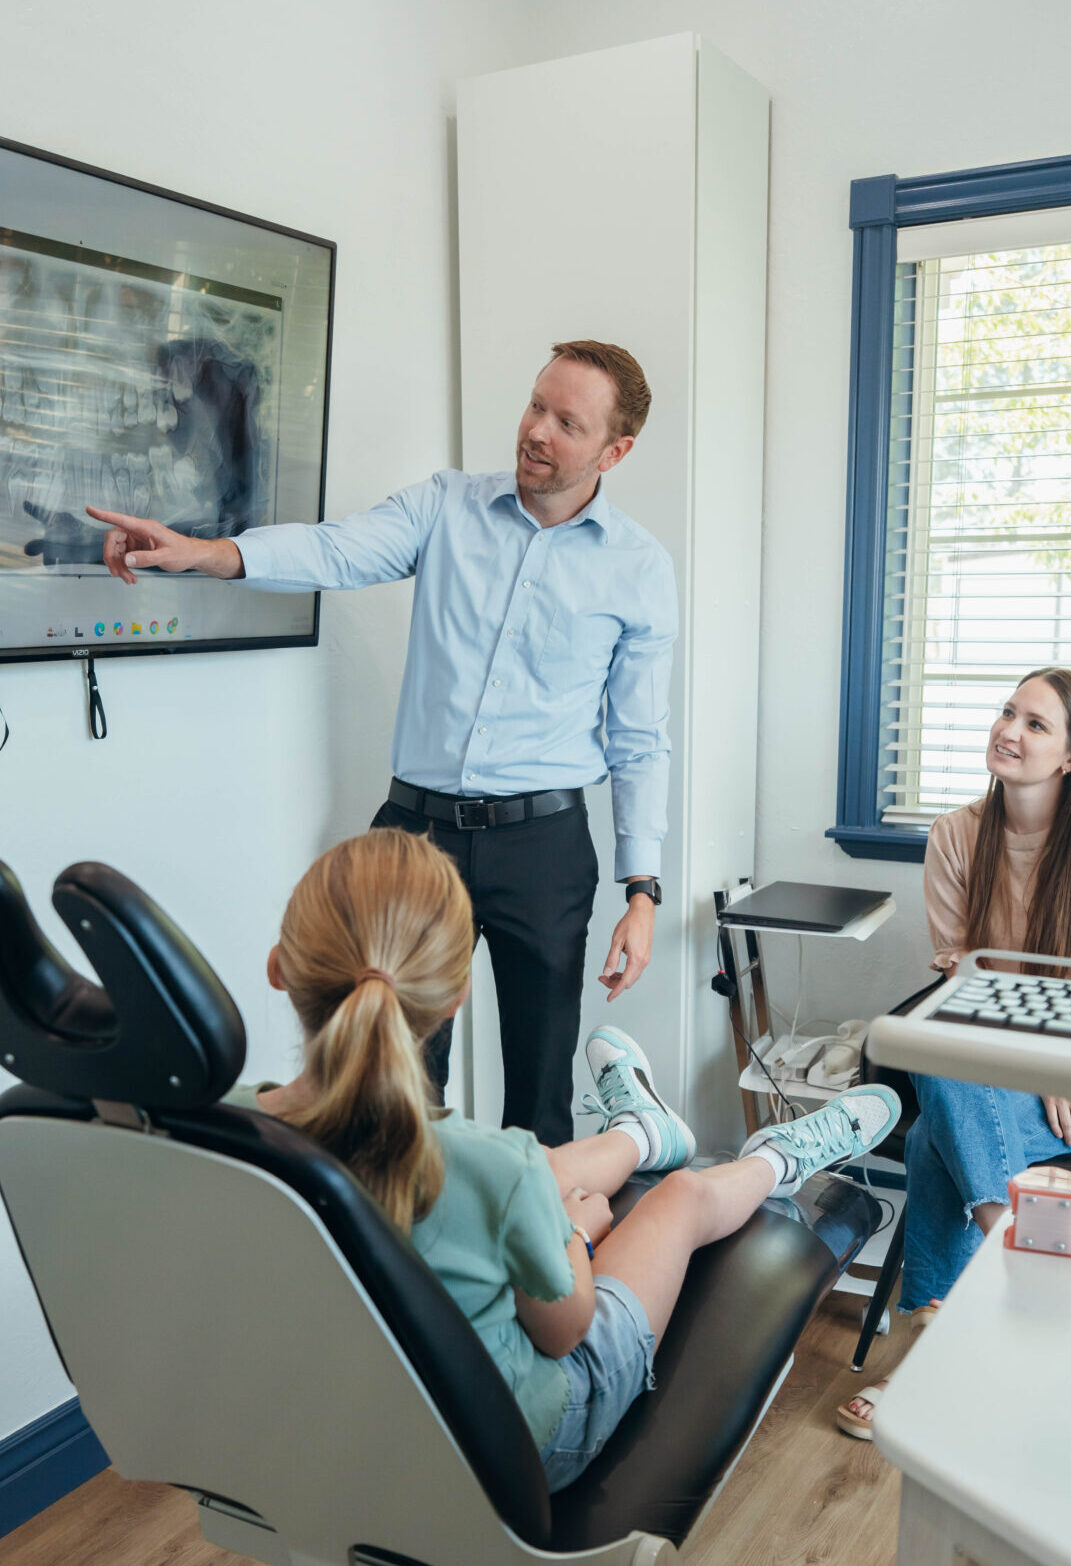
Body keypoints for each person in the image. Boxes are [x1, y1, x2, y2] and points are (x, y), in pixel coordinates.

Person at [91, 341, 675, 1147]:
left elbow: (640, 739)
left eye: (566, 422)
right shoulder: (446, 505)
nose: (536, 430)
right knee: (389, 1078)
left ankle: (529, 1257)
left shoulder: (639, 570)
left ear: (615, 451)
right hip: (413, 837)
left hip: (543, 845)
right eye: (535, 405)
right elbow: (332, 549)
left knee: (540, 1088)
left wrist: (641, 890)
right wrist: (205, 554)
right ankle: (404, 1250)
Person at [248, 828, 901, 1491]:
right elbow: (564, 1332)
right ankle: (779, 1158)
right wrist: (574, 1237)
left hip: (311, 1416)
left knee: (530, 1174)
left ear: (279, 966)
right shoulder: (496, 1166)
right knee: (677, 1196)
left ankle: (643, 1131)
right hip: (515, 1445)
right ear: (454, 996)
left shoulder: (223, 1124)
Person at [837, 667, 1071, 1440]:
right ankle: (1010, 1257)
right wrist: (1036, 1067)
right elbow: (969, 987)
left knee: (943, 1112)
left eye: (1036, 725)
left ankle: (933, 1344)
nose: (1009, 730)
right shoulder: (954, 836)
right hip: (998, 1075)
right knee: (940, 1061)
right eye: (1008, 712)